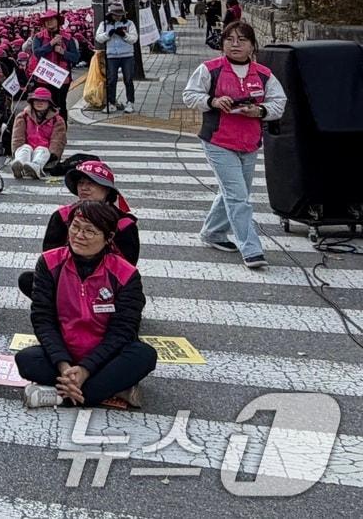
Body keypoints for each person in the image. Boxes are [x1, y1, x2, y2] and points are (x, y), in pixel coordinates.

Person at [16, 200, 157, 408]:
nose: (79, 236)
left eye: (90, 231)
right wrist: (64, 366)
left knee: (144, 355)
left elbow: (122, 332)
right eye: (75, 227)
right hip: (66, 352)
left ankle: (63, 394)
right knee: (26, 360)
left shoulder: (125, 273)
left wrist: (85, 369)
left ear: (108, 238)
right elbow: (43, 320)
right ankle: (106, 390)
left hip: (105, 356)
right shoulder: (49, 262)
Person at [182, 20, 286, 270]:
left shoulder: (263, 74)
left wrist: (259, 110)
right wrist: (213, 101)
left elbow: (279, 103)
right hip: (218, 141)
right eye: (230, 39)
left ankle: (212, 232)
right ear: (222, 44)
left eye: (242, 39)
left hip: (249, 143)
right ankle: (251, 249)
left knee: (234, 193)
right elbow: (189, 95)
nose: (235, 44)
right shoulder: (210, 69)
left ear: (252, 45)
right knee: (238, 197)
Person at [17, 160, 140, 297]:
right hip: (68, 280)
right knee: (30, 280)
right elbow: (50, 259)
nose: (84, 188)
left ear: (106, 189)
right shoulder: (62, 216)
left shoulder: (124, 224)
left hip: (106, 284)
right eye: (81, 183)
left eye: (91, 183)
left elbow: (128, 267)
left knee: (132, 295)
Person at [7, 88, 66, 180]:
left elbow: (57, 141)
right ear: (32, 102)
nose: (39, 103)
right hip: (26, 151)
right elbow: (17, 137)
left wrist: (53, 155)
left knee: (42, 150)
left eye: (43, 100)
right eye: (37, 100)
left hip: (45, 154)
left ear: (49, 103)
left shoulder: (57, 120)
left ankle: (35, 167)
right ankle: (19, 165)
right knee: (25, 148)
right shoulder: (22, 117)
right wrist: (16, 151)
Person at [95, 0, 139, 113]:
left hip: (127, 55)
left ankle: (130, 102)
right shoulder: (104, 24)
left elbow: (134, 39)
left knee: (128, 79)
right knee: (111, 80)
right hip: (111, 56)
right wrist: (107, 34)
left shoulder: (129, 24)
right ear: (111, 14)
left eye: (120, 15)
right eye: (115, 15)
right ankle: (111, 102)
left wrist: (124, 35)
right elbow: (98, 38)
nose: (118, 17)